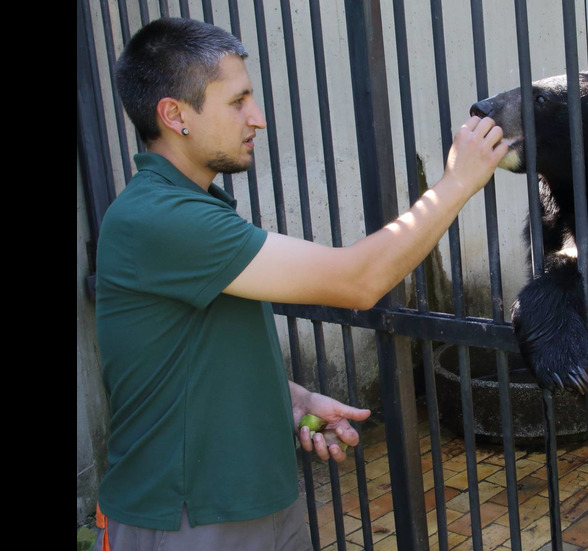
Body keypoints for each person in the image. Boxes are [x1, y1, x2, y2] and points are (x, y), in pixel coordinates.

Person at [93, 16, 507, 551]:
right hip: (188, 518)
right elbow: (359, 280)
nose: (257, 118)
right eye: (237, 101)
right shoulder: (159, 218)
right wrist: (458, 182)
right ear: (175, 115)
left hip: (251, 501)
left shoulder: (187, 209)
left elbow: (187, 353)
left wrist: (287, 398)